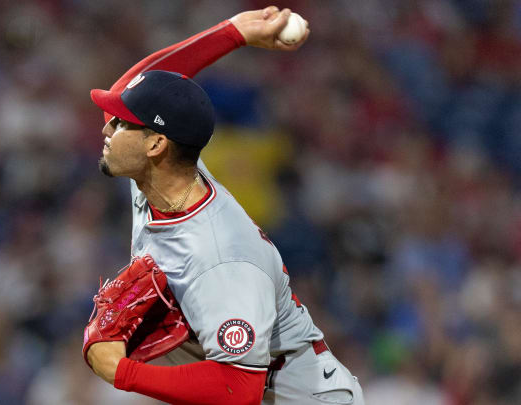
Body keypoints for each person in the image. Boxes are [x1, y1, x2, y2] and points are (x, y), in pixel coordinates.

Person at [86, 6, 365, 405]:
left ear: (155, 144)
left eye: (121, 123)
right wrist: (232, 32)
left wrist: (121, 371)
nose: (106, 127)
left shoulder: (220, 255)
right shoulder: (160, 175)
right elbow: (134, 86)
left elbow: (238, 388)